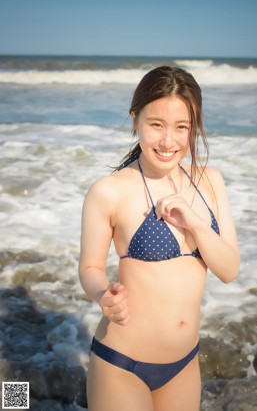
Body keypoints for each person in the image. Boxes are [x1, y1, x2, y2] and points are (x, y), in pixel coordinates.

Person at [79, 66, 240, 411]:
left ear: (193, 127)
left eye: (182, 127)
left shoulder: (210, 181)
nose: (169, 141)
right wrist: (102, 293)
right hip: (122, 363)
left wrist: (196, 224)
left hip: (184, 363)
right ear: (134, 118)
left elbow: (228, 270)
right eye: (156, 125)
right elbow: (90, 266)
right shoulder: (109, 191)